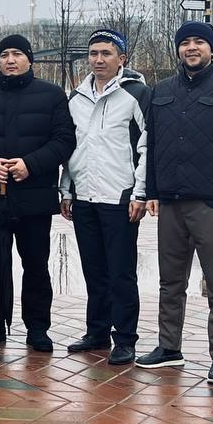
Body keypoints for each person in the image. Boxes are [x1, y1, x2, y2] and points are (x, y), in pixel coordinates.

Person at [137, 21, 213, 386]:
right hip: (170, 203)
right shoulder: (161, 91)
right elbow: (153, 146)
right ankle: (168, 348)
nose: (191, 47)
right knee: (170, 282)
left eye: (199, 42)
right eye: (185, 42)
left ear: (211, 49)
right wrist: (152, 191)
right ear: (178, 49)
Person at [0, 34, 76, 349]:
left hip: (33, 196)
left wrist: (30, 164)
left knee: (35, 265)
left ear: (29, 59)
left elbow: (64, 140)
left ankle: (37, 328)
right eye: (4, 54)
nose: (10, 60)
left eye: (17, 54)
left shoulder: (51, 96)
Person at [59, 29, 150, 365]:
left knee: (121, 272)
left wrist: (140, 192)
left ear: (121, 59)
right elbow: (71, 148)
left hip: (120, 197)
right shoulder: (76, 97)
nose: (98, 60)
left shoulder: (136, 94)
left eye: (106, 53)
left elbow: (148, 147)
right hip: (84, 197)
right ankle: (96, 331)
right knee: (94, 270)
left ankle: (124, 338)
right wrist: (66, 189)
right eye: (93, 53)